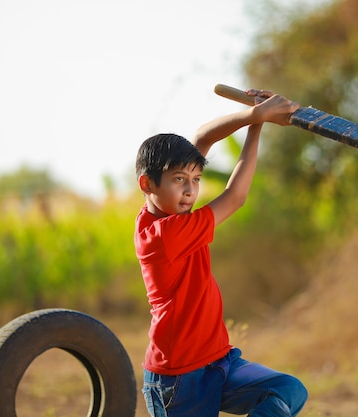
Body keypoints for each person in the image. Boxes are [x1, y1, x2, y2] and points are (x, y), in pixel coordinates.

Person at [134, 89, 307, 417]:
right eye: (179, 179)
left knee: (287, 390)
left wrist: (257, 119)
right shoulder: (165, 235)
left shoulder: (171, 212)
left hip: (219, 361)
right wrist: (257, 119)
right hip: (179, 378)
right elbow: (235, 196)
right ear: (148, 184)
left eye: (196, 179)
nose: (190, 190)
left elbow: (200, 137)